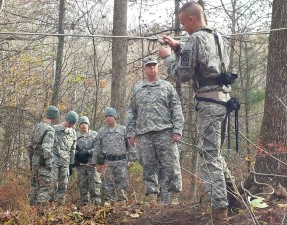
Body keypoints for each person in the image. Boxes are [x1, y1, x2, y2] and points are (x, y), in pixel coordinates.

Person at [158, 2, 240, 223]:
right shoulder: (217, 36)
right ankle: (233, 198)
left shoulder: (194, 39)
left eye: (184, 23)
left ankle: (220, 212)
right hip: (223, 101)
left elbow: (182, 74)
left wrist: (167, 56)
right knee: (214, 152)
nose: (184, 28)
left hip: (209, 104)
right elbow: (204, 63)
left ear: (191, 19)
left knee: (208, 156)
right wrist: (177, 47)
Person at [126, 56, 184, 205]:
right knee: (148, 166)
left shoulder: (167, 86)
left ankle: (174, 196)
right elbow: (131, 111)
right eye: (149, 66)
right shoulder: (138, 88)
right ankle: (151, 195)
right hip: (144, 134)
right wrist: (131, 133)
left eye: (154, 65)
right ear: (144, 69)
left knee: (171, 165)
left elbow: (176, 108)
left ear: (158, 68)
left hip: (165, 131)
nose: (152, 68)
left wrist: (177, 129)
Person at [93, 107, 136, 203]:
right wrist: (97, 163)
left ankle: (123, 209)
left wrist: (131, 160)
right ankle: (110, 211)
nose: (108, 118)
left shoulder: (123, 130)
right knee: (108, 189)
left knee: (122, 189)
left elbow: (131, 146)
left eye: (110, 116)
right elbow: (97, 147)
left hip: (121, 163)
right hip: (107, 164)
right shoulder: (101, 132)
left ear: (115, 117)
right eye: (106, 116)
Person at [27, 106, 59, 206]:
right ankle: (39, 212)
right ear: (54, 116)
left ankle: (32, 210)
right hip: (43, 161)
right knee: (46, 187)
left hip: (35, 160)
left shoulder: (37, 126)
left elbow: (29, 145)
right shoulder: (49, 129)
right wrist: (49, 163)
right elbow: (46, 147)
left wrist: (31, 160)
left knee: (34, 185)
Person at [51, 111, 78, 205]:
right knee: (53, 183)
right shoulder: (54, 129)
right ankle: (50, 205)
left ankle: (60, 206)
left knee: (63, 185)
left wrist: (71, 164)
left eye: (73, 124)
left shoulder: (73, 133)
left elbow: (72, 150)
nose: (71, 125)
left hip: (65, 163)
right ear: (66, 120)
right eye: (70, 123)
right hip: (54, 160)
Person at [75, 116, 101, 205]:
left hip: (92, 164)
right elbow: (71, 148)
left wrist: (88, 152)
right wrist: (77, 154)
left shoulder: (94, 134)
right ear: (79, 125)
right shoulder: (75, 136)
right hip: (81, 165)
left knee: (95, 186)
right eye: (82, 123)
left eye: (85, 123)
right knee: (82, 186)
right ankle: (85, 206)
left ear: (88, 124)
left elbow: (98, 147)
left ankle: (96, 206)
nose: (84, 125)